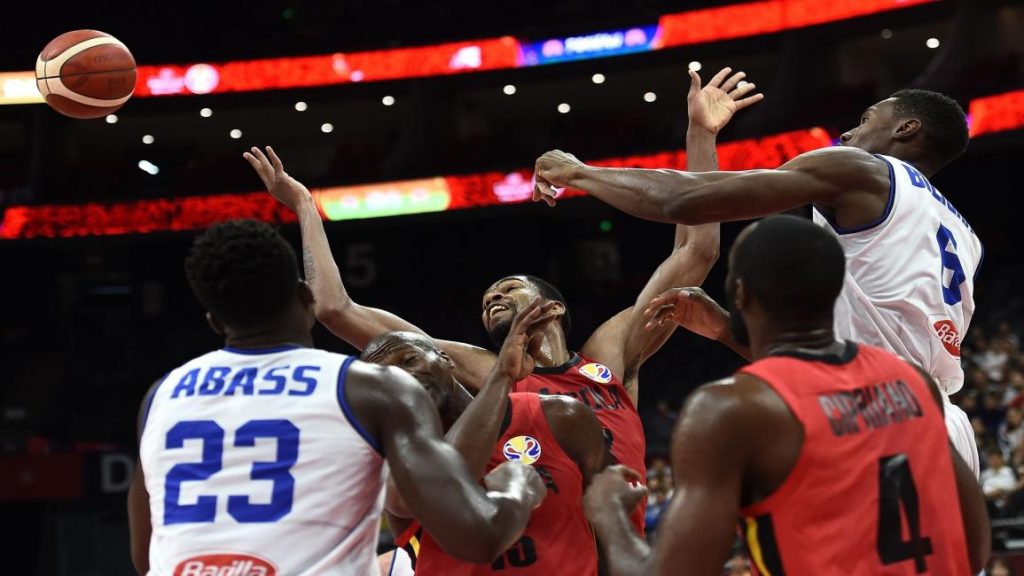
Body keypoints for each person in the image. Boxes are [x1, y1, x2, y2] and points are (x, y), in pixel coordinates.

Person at [243, 68, 760, 533]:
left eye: (509, 288)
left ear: (553, 307)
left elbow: (697, 250)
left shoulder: (609, 355)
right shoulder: (486, 371)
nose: (493, 297)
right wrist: (304, 206)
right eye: (488, 297)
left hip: (620, 556)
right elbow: (336, 310)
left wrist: (700, 135)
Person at [532, 84, 984, 474]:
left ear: (906, 128)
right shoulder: (964, 234)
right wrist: (725, 329)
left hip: (878, 412)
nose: (848, 133)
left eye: (866, 119)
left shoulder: (861, 170)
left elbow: (686, 201)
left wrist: (578, 172)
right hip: (944, 424)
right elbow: (845, 355)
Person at [126, 220, 545, 575]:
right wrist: (516, 485)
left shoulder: (162, 395)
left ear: (215, 321)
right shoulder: (370, 387)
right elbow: (476, 537)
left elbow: (145, 556)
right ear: (305, 299)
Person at [582, 216, 989, 576]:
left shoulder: (728, 409)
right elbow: (974, 548)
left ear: (739, 294)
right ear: (836, 290)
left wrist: (609, 512)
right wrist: (725, 330)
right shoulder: (911, 381)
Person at [370, 298, 610, 575]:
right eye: (387, 376)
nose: (404, 377)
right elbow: (448, 486)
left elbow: (611, 520)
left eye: (410, 360)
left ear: (446, 360)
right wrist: (501, 375)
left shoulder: (559, 416)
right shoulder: (393, 468)